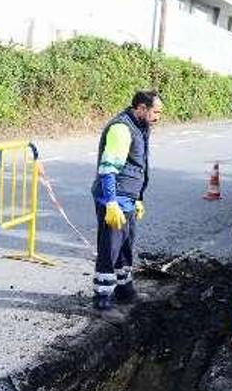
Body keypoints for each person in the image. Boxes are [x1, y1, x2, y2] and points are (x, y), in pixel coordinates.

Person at [91, 90, 163, 311]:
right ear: (141, 108)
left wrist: (138, 198)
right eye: (155, 112)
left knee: (125, 246)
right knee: (110, 249)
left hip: (128, 198)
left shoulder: (141, 128)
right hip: (115, 198)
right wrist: (110, 202)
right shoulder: (122, 129)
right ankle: (102, 300)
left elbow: (136, 167)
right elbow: (108, 169)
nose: (158, 117)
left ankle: (125, 290)